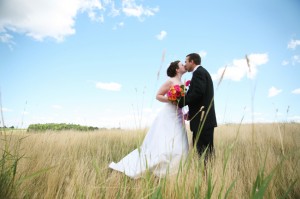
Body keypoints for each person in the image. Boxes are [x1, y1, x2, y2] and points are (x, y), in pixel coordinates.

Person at [109, 61, 189, 179]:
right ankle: (157, 171)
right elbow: (158, 95)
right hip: (168, 114)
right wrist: (170, 98)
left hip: (178, 114)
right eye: (182, 64)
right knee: (163, 144)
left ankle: (175, 173)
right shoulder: (171, 81)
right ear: (177, 69)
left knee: (181, 145)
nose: (184, 65)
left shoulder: (182, 82)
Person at [178, 53, 217, 161]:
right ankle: (206, 174)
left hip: (202, 120)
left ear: (192, 61)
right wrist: (191, 113)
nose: (185, 64)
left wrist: (180, 103)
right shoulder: (202, 72)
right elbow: (200, 97)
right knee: (204, 150)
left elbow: (197, 93)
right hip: (202, 119)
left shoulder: (198, 73)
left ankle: (206, 175)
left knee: (204, 151)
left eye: (186, 61)